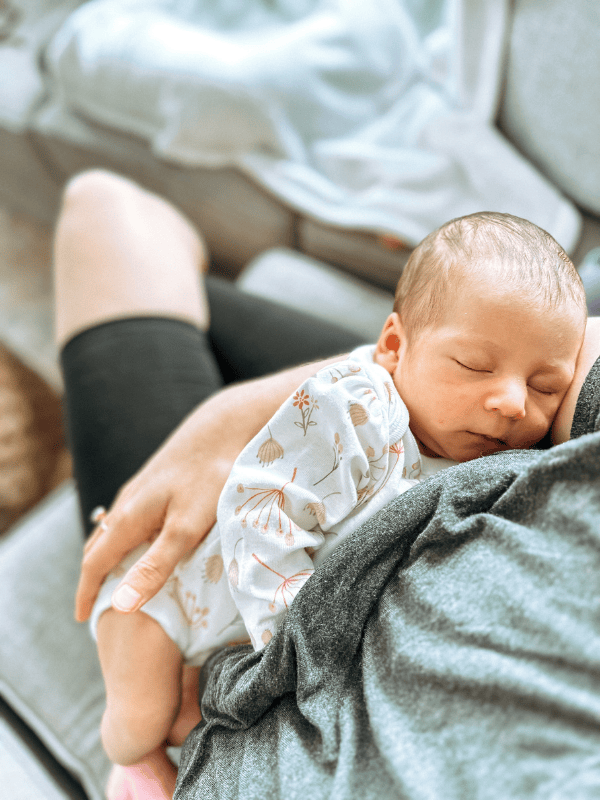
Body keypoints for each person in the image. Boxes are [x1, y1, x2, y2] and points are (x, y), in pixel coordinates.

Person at [53, 171, 588, 796]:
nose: (510, 402)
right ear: (393, 345)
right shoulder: (358, 410)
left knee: (107, 221)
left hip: (243, 663)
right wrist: (293, 650)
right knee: (132, 730)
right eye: (475, 366)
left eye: (544, 388)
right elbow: (260, 515)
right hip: (193, 587)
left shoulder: (481, 441)